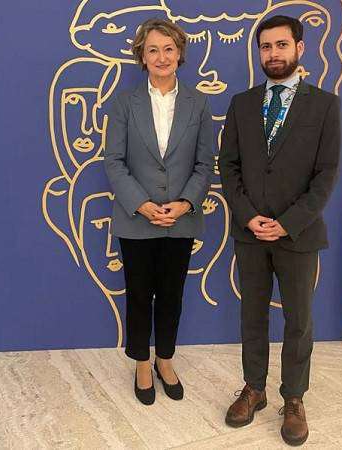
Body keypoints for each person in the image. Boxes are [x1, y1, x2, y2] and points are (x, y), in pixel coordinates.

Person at [218, 15, 341, 446]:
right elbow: (228, 167)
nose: (273, 53)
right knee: (251, 315)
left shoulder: (324, 105)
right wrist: (248, 215)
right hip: (250, 232)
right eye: (266, 47)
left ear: (299, 48)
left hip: (298, 234)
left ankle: (294, 398)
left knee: (298, 320)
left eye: (281, 45)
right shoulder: (242, 103)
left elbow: (326, 175)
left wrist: (287, 222)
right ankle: (254, 388)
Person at [104, 18, 213, 405]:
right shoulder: (123, 103)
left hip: (180, 220)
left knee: (171, 295)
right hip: (137, 219)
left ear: (180, 53)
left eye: (168, 49)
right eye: (153, 50)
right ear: (142, 56)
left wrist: (184, 204)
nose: (161, 57)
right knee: (138, 294)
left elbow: (205, 164)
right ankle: (141, 363)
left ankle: (165, 359)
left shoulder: (199, 103)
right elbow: (114, 161)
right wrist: (143, 204)